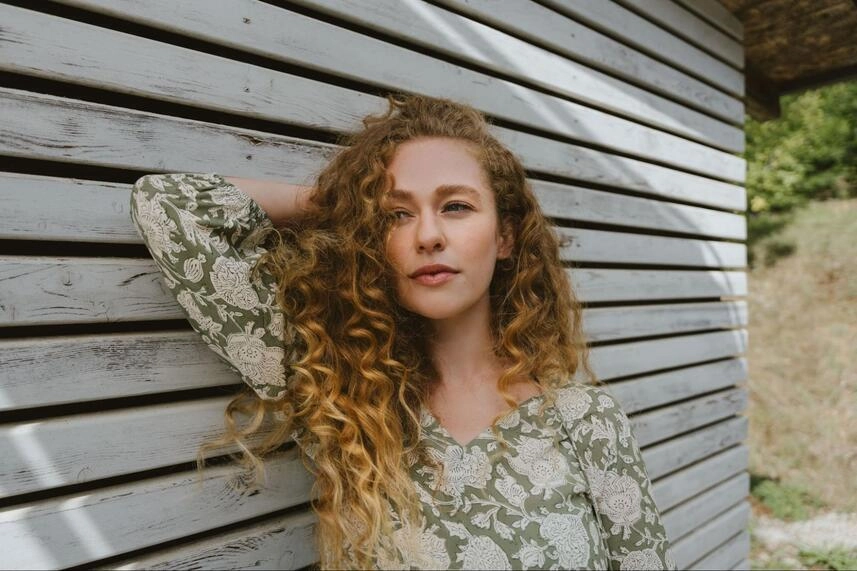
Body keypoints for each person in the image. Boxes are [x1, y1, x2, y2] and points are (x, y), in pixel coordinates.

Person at [130, 93, 677, 570]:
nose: (428, 235)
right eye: (395, 215)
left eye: (455, 206)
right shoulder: (337, 395)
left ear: (505, 237)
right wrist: (343, 204)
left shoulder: (585, 422)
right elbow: (168, 206)